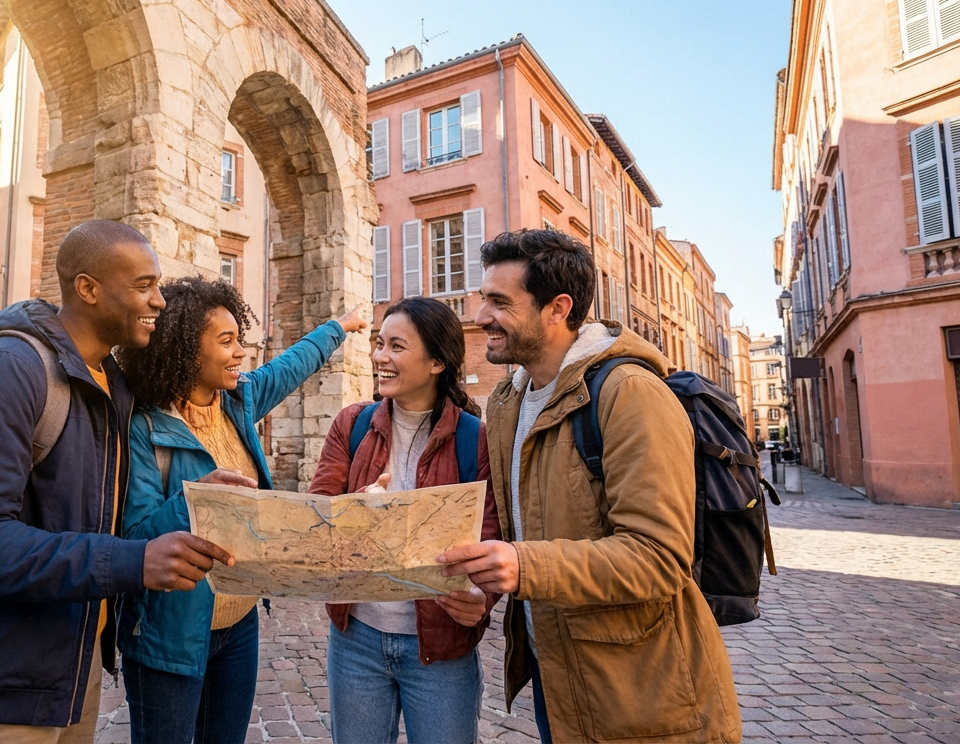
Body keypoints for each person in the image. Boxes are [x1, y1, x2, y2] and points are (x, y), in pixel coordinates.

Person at [0, 222, 246, 744]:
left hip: (68, 672)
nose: (159, 300)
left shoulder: (111, 383)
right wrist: (134, 562)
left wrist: (188, 500)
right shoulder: (8, 369)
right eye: (144, 286)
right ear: (87, 288)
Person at [439, 229, 742, 743]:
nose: (481, 315)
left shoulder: (631, 393)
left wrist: (524, 566)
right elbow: (520, 529)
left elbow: (659, 556)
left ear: (558, 309)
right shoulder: (508, 402)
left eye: (499, 302)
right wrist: (483, 587)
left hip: (642, 692)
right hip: (556, 676)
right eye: (483, 298)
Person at [115, 276, 367, 744]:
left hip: (240, 625)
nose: (240, 352)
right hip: (172, 633)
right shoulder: (144, 429)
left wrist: (339, 327)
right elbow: (135, 539)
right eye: (226, 341)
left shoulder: (238, 400)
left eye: (240, 339)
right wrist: (198, 499)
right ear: (187, 350)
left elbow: (292, 365)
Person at [308, 296, 502, 744]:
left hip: (441, 647)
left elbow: (490, 535)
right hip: (356, 639)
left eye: (396, 347)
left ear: (437, 362)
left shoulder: (475, 439)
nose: (381, 357)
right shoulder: (352, 424)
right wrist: (356, 511)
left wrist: (482, 597)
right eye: (379, 344)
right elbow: (316, 516)